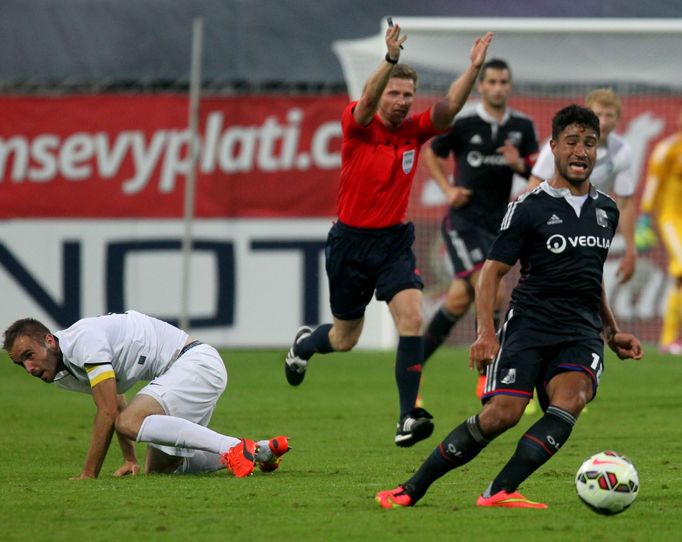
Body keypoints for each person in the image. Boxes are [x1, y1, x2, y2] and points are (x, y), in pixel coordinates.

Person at [376, 104, 643, 510]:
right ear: (553, 148)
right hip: (529, 326)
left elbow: (592, 277)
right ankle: (412, 487)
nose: (582, 151)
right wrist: (485, 333)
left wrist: (611, 331)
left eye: (589, 143)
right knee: (503, 414)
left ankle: (499, 491)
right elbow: (491, 274)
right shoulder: (529, 206)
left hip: (580, 331)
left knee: (571, 400)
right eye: (572, 141)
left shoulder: (606, 209)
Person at [284, 22, 494, 447]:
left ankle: (406, 418)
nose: (401, 102)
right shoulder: (357, 125)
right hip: (349, 243)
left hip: (394, 241)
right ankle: (305, 346)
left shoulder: (415, 130)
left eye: (406, 95)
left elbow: (449, 107)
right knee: (345, 339)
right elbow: (363, 106)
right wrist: (391, 59)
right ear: (379, 93)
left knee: (412, 317)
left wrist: (472, 70)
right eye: (393, 94)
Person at [3, 311, 290, 479]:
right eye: (20, 363)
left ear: (49, 341)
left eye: (29, 355)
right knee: (163, 468)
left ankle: (230, 447)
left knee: (128, 422)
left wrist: (87, 475)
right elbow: (114, 400)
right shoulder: (61, 371)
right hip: (186, 373)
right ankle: (257, 449)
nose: (28, 368)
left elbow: (108, 413)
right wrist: (130, 459)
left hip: (194, 363)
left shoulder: (83, 341)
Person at [420, 58, 539, 395]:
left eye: (504, 82)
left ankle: (414, 361)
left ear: (509, 86)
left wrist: (520, 165)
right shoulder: (464, 122)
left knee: (459, 299)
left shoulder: (522, 127)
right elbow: (431, 152)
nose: (498, 87)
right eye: (492, 82)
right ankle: (487, 373)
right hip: (463, 221)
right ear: (482, 86)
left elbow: (536, 170)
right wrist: (447, 189)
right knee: (494, 289)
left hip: (497, 223)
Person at [530, 89, 637, 284]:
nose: (603, 122)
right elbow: (534, 185)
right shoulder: (562, 144)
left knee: (588, 282)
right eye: (598, 115)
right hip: (553, 220)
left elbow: (625, 203)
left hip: (588, 222)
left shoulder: (622, 152)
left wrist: (631, 251)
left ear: (618, 119)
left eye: (609, 115)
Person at [637, 104, 682, 354]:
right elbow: (653, 184)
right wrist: (645, 216)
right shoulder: (668, 149)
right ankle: (669, 339)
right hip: (672, 219)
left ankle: (669, 340)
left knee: (679, 279)